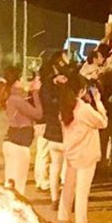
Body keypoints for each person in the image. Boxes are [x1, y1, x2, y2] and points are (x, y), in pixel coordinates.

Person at [57, 76, 109, 223]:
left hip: (71, 153)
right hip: (85, 154)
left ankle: (64, 222)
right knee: (82, 191)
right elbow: (102, 122)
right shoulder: (82, 108)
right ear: (81, 90)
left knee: (68, 188)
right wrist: (98, 102)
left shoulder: (65, 107)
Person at [0, 66, 42, 197]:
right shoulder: (15, 99)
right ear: (17, 80)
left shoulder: (11, 97)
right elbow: (38, 114)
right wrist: (35, 93)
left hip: (11, 142)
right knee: (18, 187)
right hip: (19, 146)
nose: (24, 81)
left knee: (10, 184)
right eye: (22, 79)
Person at [37, 50, 73, 202]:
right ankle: (45, 183)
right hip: (53, 127)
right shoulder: (50, 82)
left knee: (52, 162)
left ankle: (53, 195)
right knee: (56, 161)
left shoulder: (48, 82)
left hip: (50, 128)